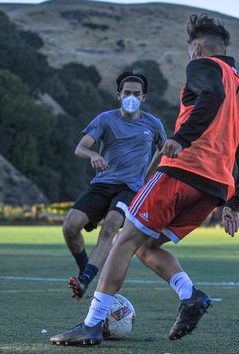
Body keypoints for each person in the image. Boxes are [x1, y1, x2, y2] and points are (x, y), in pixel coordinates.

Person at [50, 13, 239, 346]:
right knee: (146, 247)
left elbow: (213, 96)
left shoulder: (204, 66)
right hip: (215, 188)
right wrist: (235, 202)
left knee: (123, 241)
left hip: (183, 172)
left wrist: (183, 137)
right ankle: (190, 295)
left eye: (191, 49)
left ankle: (91, 324)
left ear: (198, 47)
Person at [63, 71, 167, 300]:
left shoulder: (153, 123)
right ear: (119, 95)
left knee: (110, 227)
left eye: (136, 94)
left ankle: (85, 280)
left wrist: (148, 177)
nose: (132, 97)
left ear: (144, 97)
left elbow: (164, 150)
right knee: (70, 227)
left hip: (130, 189)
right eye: (127, 93)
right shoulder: (105, 119)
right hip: (102, 183)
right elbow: (80, 147)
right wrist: (92, 155)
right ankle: (85, 269)